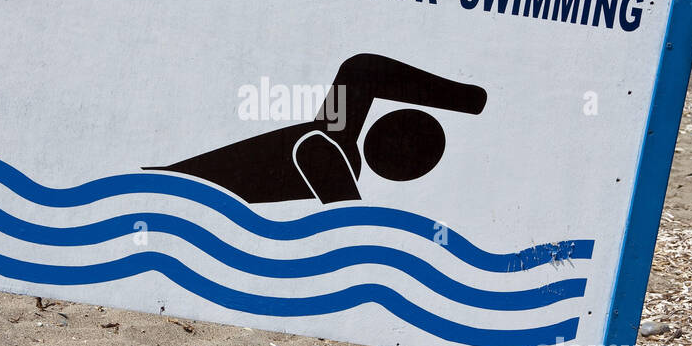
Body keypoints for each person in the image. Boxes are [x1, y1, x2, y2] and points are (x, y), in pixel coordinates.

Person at [146, 53, 486, 204]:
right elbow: (349, 230)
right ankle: (466, 98)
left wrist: (465, 99)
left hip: (176, 186)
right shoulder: (324, 146)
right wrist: (464, 99)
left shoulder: (328, 142)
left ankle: (466, 98)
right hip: (176, 188)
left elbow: (363, 70)